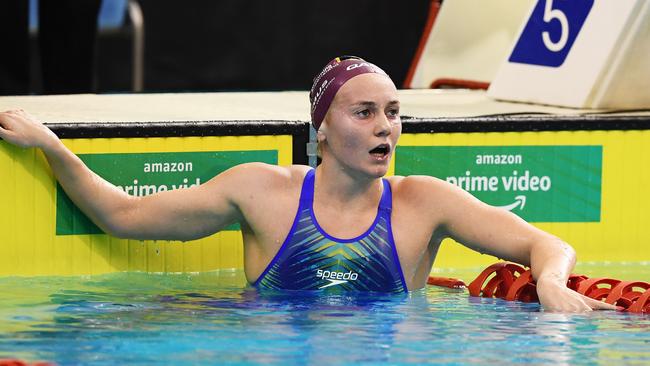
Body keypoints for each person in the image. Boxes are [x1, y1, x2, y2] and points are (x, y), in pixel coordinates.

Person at [0, 56, 617, 312]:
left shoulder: (423, 202)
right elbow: (125, 217)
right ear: (322, 128)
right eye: (364, 113)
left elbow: (547, 245)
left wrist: (554, 284)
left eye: (393, 112)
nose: (385, 129)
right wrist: (52, 145)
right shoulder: (261, 193)